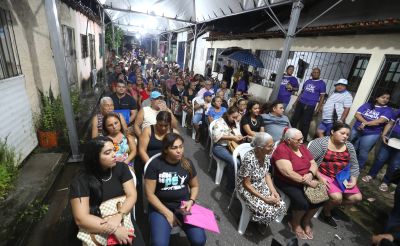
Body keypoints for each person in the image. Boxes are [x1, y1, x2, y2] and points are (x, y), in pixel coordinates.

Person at [70, 136, 145, 246]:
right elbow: (81, 218)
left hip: (124, 219)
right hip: (97, 226)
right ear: (95, 158)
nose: (114, 154)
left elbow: (132, 195)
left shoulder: (121, 168)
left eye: (114, 150)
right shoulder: (81, 180)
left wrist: (119, 216)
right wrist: (114, 230)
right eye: (107, 153)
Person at [144, 133, 206, 246]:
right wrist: (167, 213)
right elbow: (150, 194)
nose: (179, 151)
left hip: (183, 206)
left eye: (181, 146)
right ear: (166, 149)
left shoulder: (187, 163)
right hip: (161, 207)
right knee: (159, 244)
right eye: (174, 148)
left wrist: (191, 201)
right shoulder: (155, 165)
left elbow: (194, 186)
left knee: (199, 240)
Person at [308, 122, 362, 228]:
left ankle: (327, 206)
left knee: (356, 198)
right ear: (332, 132)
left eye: (347, 135)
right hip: (324, 174)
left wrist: (354, 180)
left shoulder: (349, 146)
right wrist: (319, 177)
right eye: (342, 133)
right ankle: (327, 213)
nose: (345, 136)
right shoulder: (320, 143)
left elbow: (355, 165)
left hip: (342, 177)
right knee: (337, 198)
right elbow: (309, 162)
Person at [272, 128, 323, 240]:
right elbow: (288, 173)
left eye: (302, 139)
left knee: (321, 196)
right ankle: (295, 223)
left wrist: (310, 173)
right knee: (303, 202)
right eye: (298, 140)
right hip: (286, 181)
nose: (301, 142)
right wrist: (308, 182)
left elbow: (313, 163)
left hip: (306, 179)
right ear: (289, 140)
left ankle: (306, 220)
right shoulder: (282, 150)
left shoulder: (302, 148)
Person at [236, 132, 286, 232]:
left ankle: (261, 221)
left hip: (260, 183)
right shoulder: (249, 158)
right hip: (246, 187)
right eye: (270, 146)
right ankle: (249, 220)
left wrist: (273, 191)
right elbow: (246, 184)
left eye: (273, 145)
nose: (273, 148)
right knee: (266, 207)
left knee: (280, 204)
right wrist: (265, 199)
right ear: (259, 147)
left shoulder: (266, 155)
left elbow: (266, 174)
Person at [350, 90, 393, 169]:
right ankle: (348, 164)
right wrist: (365, 122)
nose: (385, 99)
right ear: (377, 98)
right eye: (383, 97)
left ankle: (357, 168)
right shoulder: (368, 105)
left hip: (371, 133)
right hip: (357, 129)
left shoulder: (388, 110)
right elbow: (357, 114)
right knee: (352, 147)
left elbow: (379, 121)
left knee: (363, 152)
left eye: (387, 98)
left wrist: (364, 124)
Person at [363, 109, 400, 192]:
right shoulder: (398, 111)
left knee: (394, 164)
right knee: (380, 158)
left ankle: (386, 182)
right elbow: (390, 123)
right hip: (391, 137)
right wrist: (383, 134)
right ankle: (371, 175)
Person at [212, 106, 244, 191]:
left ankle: (241, 185)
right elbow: (216, 137)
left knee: (246, 159)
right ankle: (230, 187)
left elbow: (238, 134)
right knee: (235, 162)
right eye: (233, 117)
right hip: (220, 147)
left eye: (236, 117)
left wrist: (239, 137)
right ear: (228, 114)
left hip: (233, 147)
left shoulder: (235, 123)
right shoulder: (219, 122)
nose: (235, 119)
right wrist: (232, 138)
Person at [290, 67, 326, 142]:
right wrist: (295, 102)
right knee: (294, 119)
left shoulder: (322, 83)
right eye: (314, 72)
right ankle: (291, 135)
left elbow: (322, 97)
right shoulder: (307, 81)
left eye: (317, 72)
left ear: (319, 74)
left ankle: (303, 139)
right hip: (300, 103)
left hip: (310, 105)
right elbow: (301, 93)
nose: (315, 73)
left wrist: (318, 108)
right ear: (311, 73)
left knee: (305, 123)